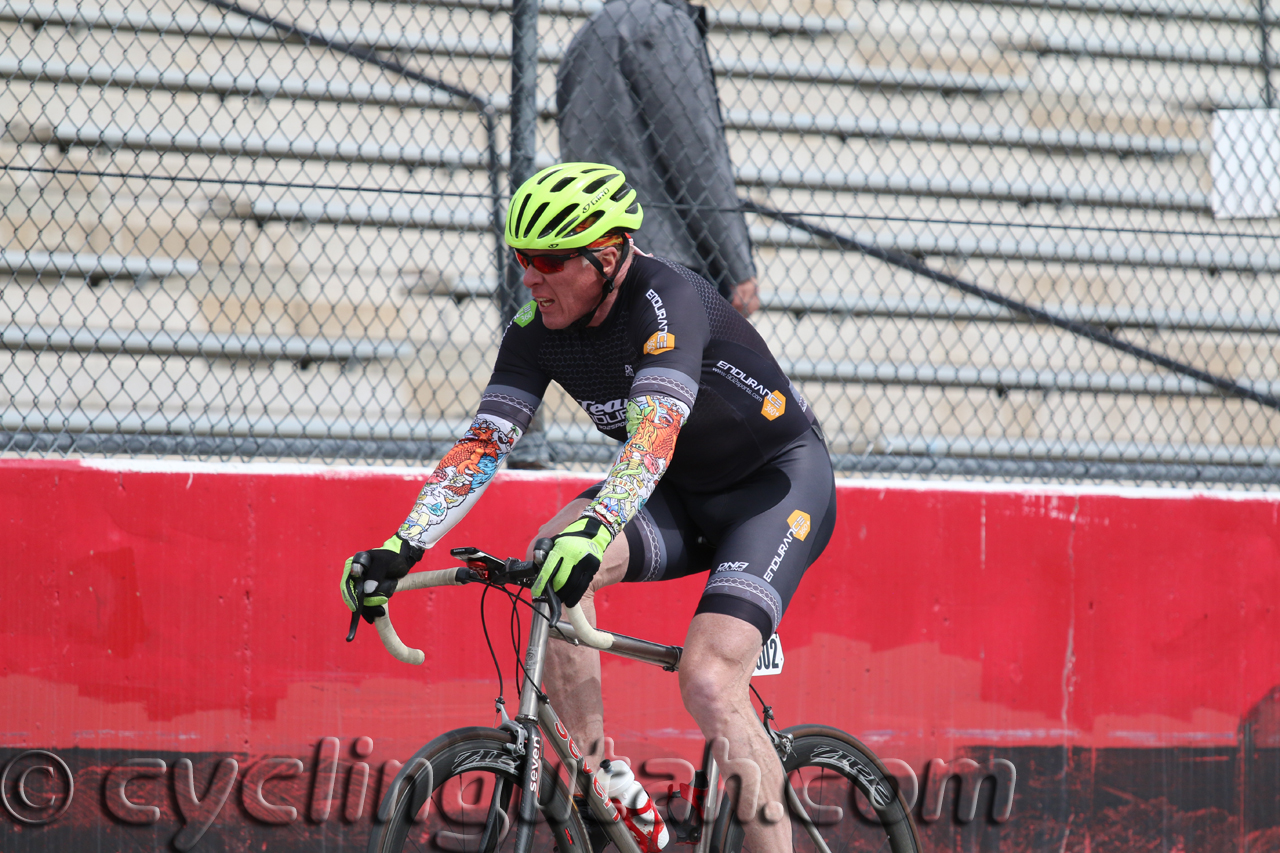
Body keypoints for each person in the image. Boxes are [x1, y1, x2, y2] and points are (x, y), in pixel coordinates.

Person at [341, 163, 835, 852]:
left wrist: (600, 525)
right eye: (520, 257)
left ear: (606, 257)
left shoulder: (668, 300)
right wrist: (401, 545)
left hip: (774, 488)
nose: (529, 277)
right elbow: (485, 443)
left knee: (711, 678)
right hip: (681, 495)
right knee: (552, 551)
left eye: (545, 259)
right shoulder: (537, 326)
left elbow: (654, 436)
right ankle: (609, 781)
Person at [557, 0, 761, 317]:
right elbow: (695, 151)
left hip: (597, 250)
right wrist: (739, 267)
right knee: (672, 363)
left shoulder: (590, 30)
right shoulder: (663, 24)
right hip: (666, 259)